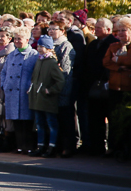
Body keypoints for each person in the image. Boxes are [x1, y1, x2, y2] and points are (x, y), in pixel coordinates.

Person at [1, 26, 39, 155]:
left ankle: (29, 146)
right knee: (16, 121)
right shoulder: (11, 55)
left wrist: (31, 87)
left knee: (27, 121)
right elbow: (4, 72)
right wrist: (4, 84)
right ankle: (19, 145)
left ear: (27, 39)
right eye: (15, 39)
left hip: (25, 92)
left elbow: (36, 73)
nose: (17, 41)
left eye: (20, 39)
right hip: (12, 92)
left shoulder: (34, 55)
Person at [83, 17, 117, 155]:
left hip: (109, 85)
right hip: (93, 85)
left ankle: (112, 148)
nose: (95, 29)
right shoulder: (93, 44)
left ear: (108, 30)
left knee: (110, 117)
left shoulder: (113, 43)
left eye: (99, 27)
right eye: (95, 27)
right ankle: (96, 147)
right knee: (95, 118)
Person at [29, 35, 65, 157]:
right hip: (38, 99)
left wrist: (50, 90)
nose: (39, 48)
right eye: (38, 45)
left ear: (49, 48)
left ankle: (52, 147)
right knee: (39, 124)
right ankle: (41, 146)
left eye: (42, 46)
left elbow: (60, 80)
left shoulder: (51, 62)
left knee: (51, 123)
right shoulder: (39, 60)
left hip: (48, 100)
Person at [47, 20, 77, 157]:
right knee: (55, 120)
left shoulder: (65, 45)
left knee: (65, 120)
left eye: (54, 29)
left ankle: (67, 148)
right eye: (49, 29)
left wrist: (59, 87)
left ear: (62, 31)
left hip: (63, 88)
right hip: (51, 89)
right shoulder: (48, 45)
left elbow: (66, 69)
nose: (51, 31)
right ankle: (56, 147)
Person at [102, 18, 131, 159]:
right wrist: (120, 67)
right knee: (113, 117)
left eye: (123, 30)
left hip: (128, 90)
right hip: (114, 88)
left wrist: (118, 60)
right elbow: (106, 61)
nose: (120, 33)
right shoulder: (114, 46)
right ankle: (113, 147)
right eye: (118, 30)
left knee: (126, 120)